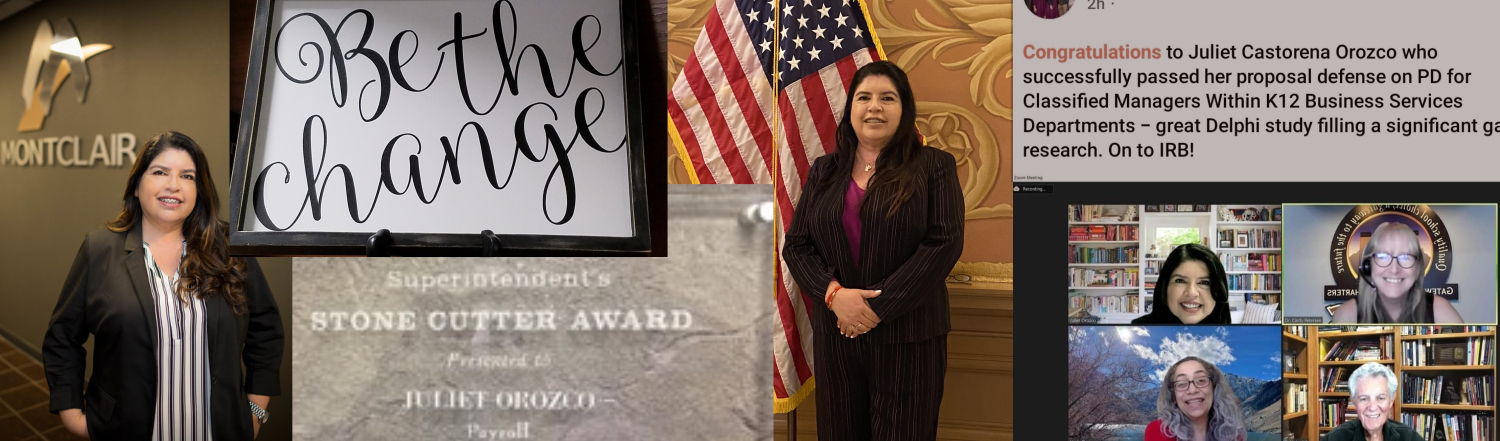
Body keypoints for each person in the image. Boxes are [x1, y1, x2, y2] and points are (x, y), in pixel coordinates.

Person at [44, 132, 284, 440]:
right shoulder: (99, 249)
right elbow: (62, 337)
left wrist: (255, 411)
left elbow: (266, 331)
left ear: (199, 189)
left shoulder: (228, 249)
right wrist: (71, 414)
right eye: (160, 172)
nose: (173, 185)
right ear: (136, 185)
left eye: (187, 176)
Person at [783, 60, 964, 440]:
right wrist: (835, 296)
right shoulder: (824, 170)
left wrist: (873, 309)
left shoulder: (934, 166)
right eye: (864, 97)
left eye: (887, 98)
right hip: (838, 336)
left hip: (909, 337)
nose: (874, 107)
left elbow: (944, 243)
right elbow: (797, 245)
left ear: (905, 108)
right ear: (850, 108)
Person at [1330, 222, 1461, 324]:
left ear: (1417, 268)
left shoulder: (1439, 309)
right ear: (1367, 266)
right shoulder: (1347, 314)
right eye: (1382, 256)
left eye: (1405, 257)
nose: (1394, 269)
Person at [1145, 356, 1247, 441]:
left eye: (1201, 380)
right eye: (1182, 383)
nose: (1192, 390)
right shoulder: (1158, 432)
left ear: (1214, 390)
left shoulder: (1234, 435)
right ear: (1174, 397)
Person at [1133, 244, 1232, 324]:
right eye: (1180, 281)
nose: (1191, 293)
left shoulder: (1233, 336)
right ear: (1164, 287)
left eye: (1204, 282)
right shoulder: (1138, 331)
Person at [1325, 362, 1425, 441]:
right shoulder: (1334, 438)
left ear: (1391, 399)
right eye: (1364, 399)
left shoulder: (1410, 438)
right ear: (1353, 401)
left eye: (1380, 398)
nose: (1372, 407)